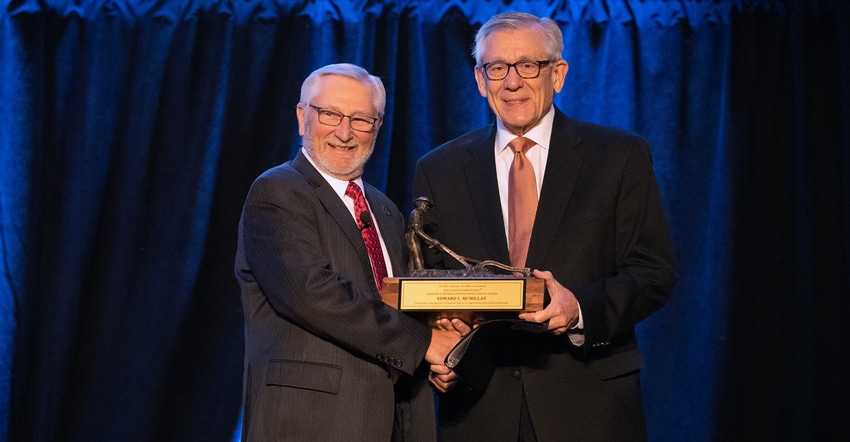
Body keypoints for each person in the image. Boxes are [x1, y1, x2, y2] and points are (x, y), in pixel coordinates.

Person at [412, 12, 678, 441]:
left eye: (528, 65)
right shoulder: (438, 169)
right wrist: (439, 338)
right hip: (479, 407)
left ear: (558, 74)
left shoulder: (618, 157)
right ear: (480, 80)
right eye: (497, 68)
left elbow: (653, 273)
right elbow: (428, 282)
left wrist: (577, 309)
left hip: (587, 402)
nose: (512, 82)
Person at [235, 63, 460, 441]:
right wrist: (425, 345)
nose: (344, 132)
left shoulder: (385, 210)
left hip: (393, 420)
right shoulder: (277, 191)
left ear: (378, 126)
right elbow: (311, 293)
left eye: (360, 119)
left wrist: (441, 332)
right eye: (330, 114)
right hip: (310, 423)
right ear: (302, 117)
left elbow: (396, 302)